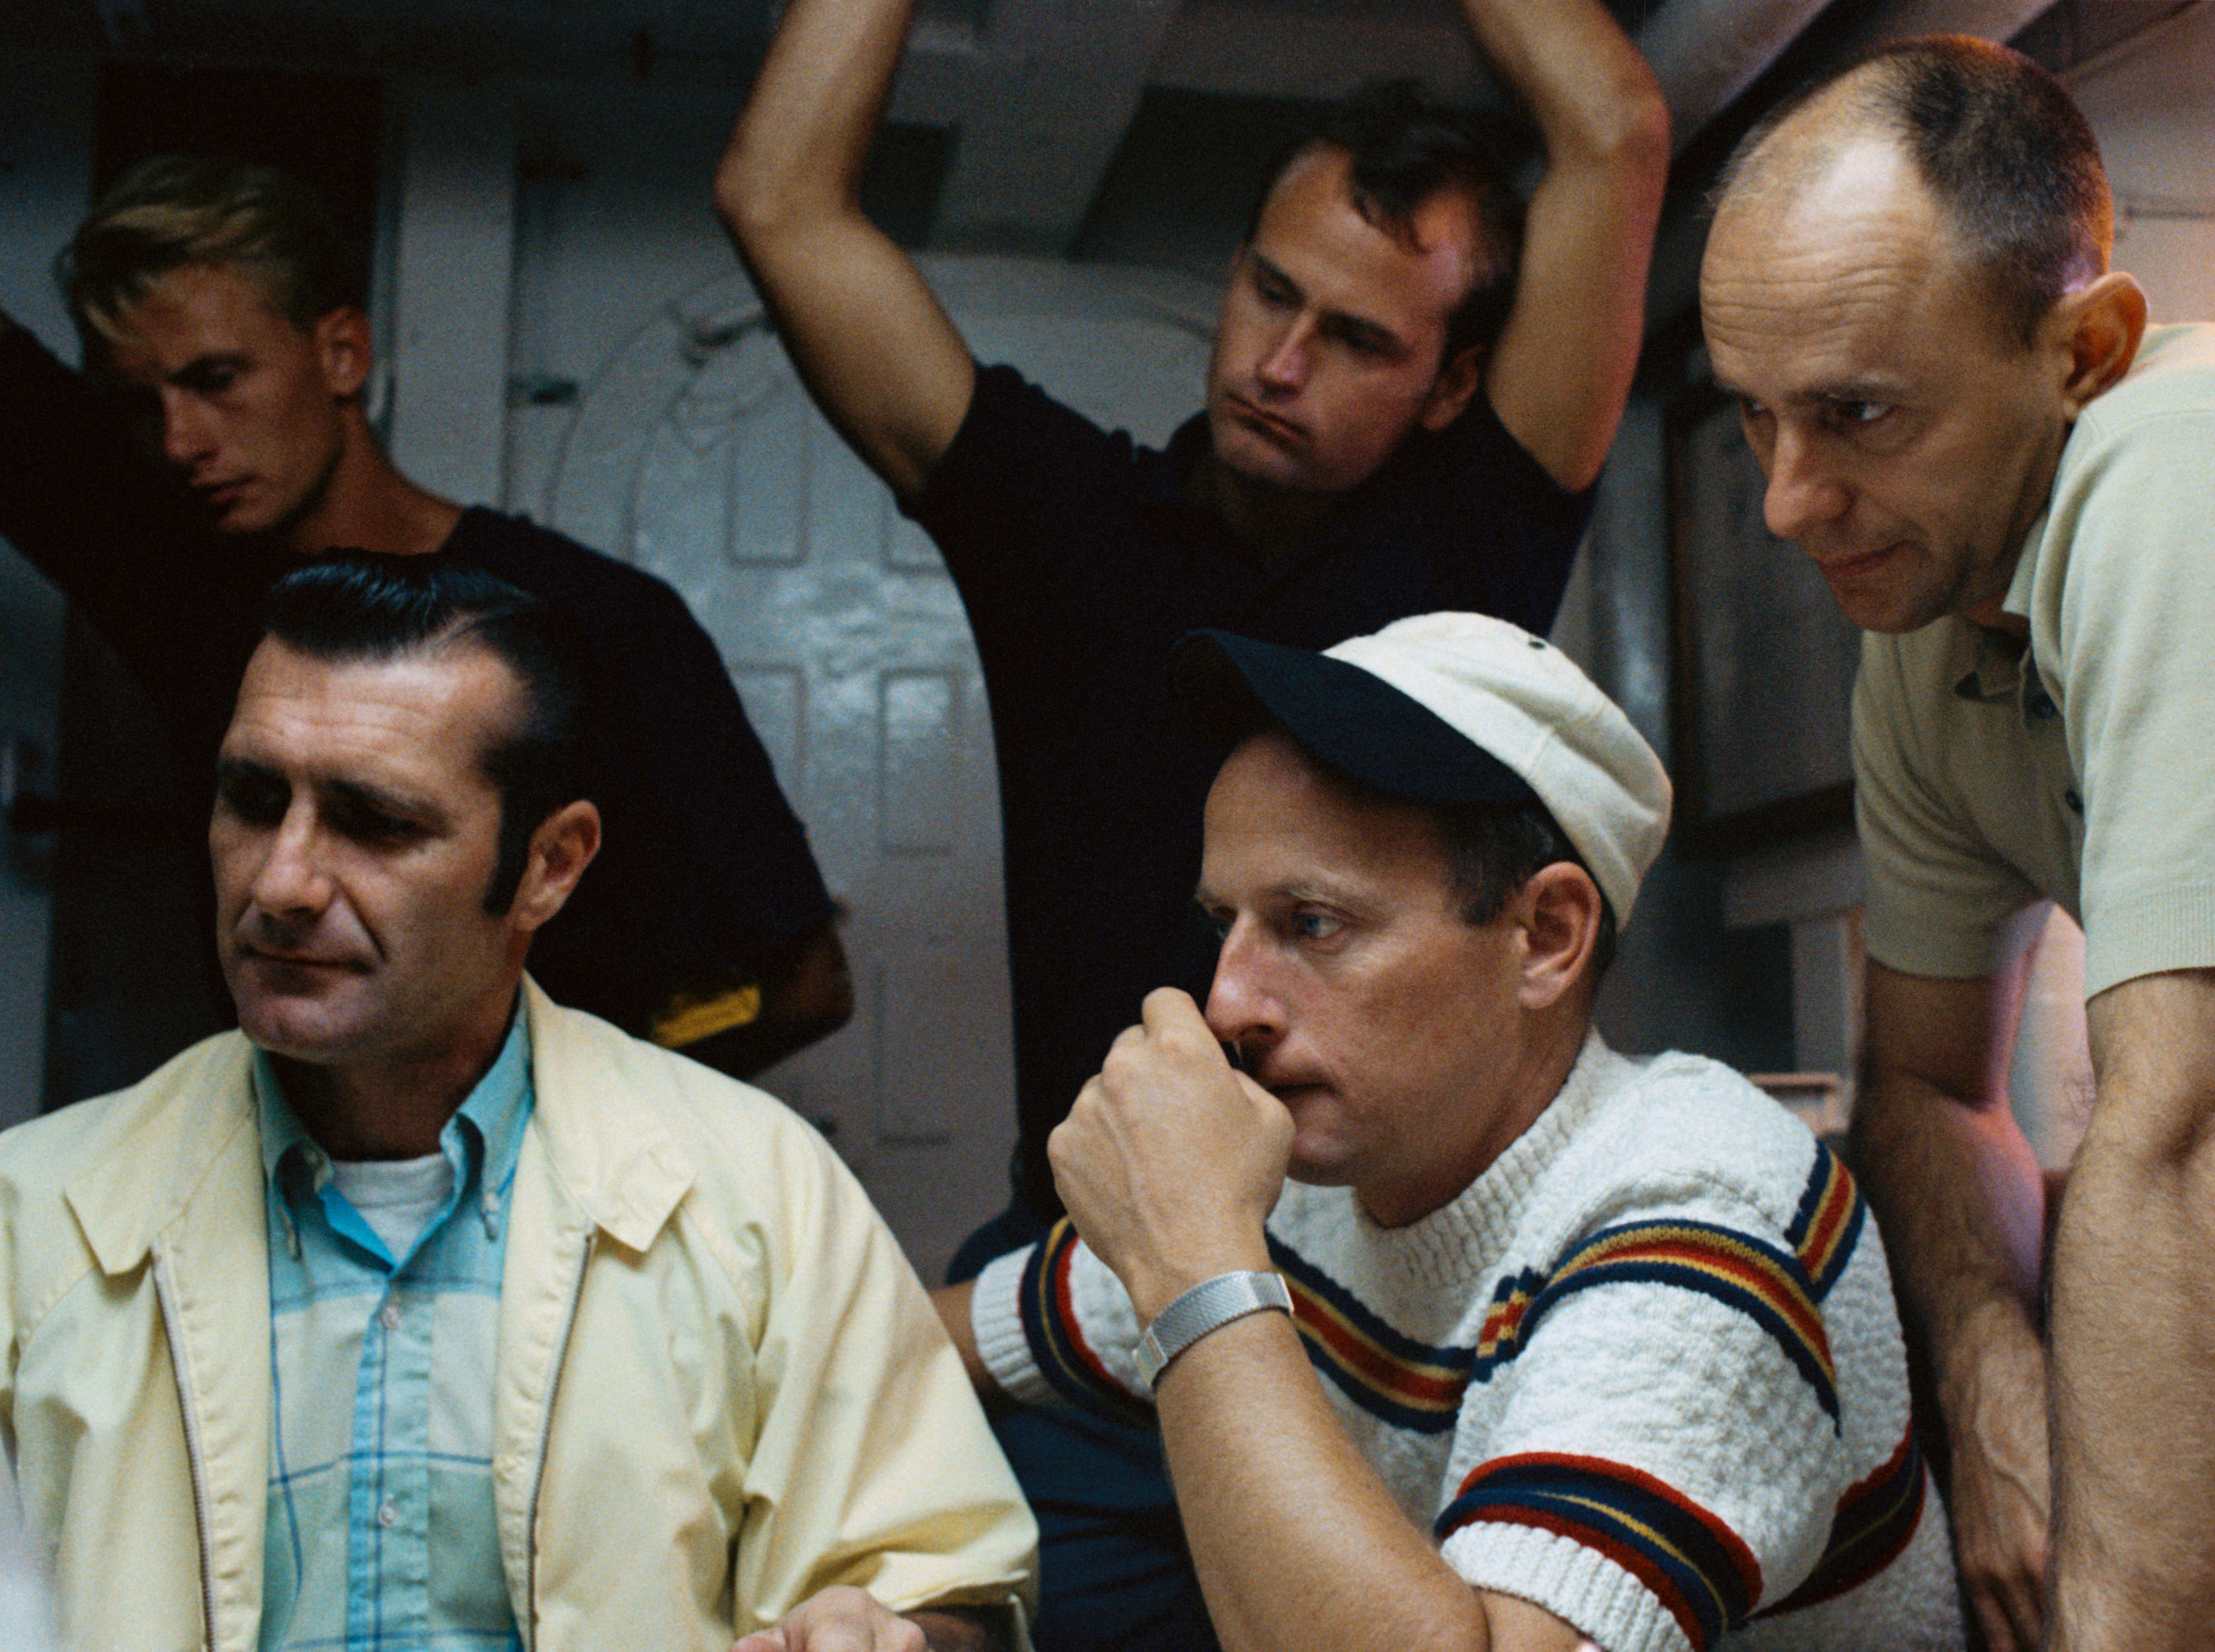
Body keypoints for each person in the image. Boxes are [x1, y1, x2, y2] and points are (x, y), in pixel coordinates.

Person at [1697, 34, 2215, 1652]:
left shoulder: (2213, 459)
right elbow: (1932, 1088)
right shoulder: (1930, 636)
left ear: (2086, 350)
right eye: (1757, 418)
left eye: (1857, 414)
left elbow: (2206, 1140)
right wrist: (2000, 1391)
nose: (1788, 501)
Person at [718, 0, 1670, 1228]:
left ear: (1450, 387)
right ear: (1234, 272)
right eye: (1272, 292)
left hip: (1378, 1246)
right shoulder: (1062, 523)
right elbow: (778, 202)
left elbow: (1617, 129)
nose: (1280, 364)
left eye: (1357, 340)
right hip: (1084, 1236)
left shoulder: (1473, 531)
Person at [0, 553, 1035, 1651]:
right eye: (254, 800)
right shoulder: (32, 1217)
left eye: (373, 821)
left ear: (550, 864)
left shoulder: (762, 1195)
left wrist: (891, 1633)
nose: (280, 881)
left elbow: (944, 1585)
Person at [938, 611, 1963, 1652]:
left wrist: (1196, 1266)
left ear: (1545, 936)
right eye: (1223, 924)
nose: (1225, 1003)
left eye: (1311, 923)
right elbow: (931, 1338)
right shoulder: (1312, 1182)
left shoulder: (1696, 1213)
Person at [0, 154, 848, 1077]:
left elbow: (802, 985)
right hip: (283, 1144)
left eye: (218, 379)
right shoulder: (187, 599)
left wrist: (545, 1114)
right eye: (142, 405)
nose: (179, 441)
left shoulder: (598, 621)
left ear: (342, 355)